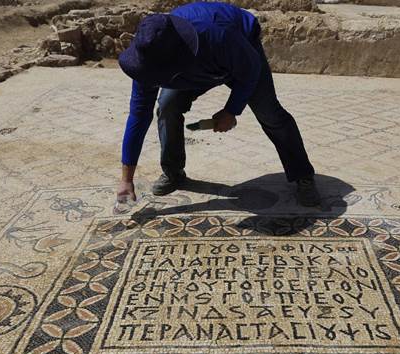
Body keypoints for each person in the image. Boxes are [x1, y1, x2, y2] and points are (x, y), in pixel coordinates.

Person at [116, 1, 320, 207]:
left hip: (238, 52)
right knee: (168, 106)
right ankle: (174, 172)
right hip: (192, 65)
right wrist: (126, 179)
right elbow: (139, 116)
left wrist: (231, 110)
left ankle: (302, 175)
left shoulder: (217, 35)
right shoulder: (146, 58)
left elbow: (250, 70)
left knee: (269, 113)